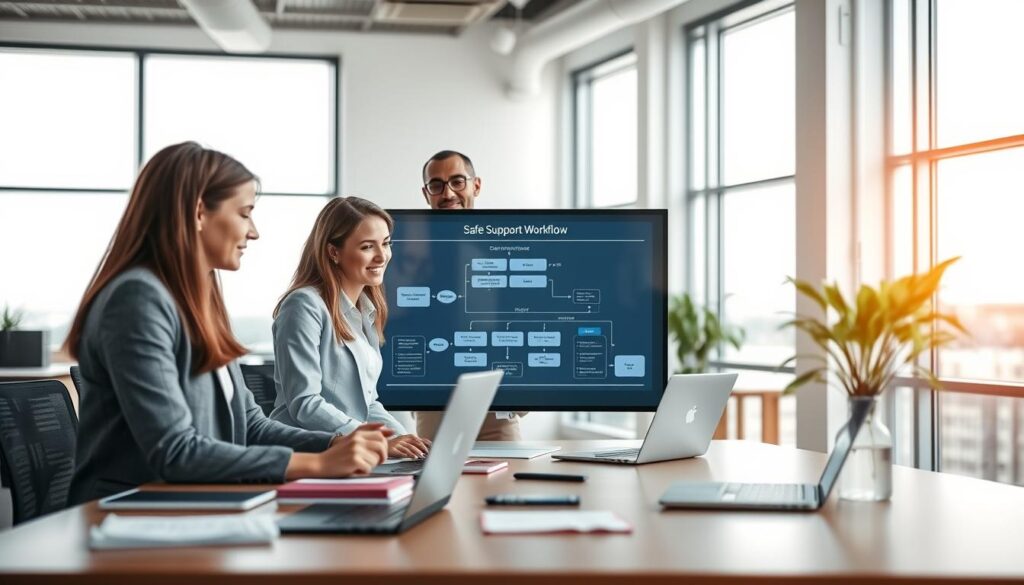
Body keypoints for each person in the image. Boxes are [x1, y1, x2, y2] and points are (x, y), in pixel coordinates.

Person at [64, 142, 390, 505]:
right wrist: (316, 464)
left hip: (195, 508)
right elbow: (175, 451)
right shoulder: (137, 299)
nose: (254, 232)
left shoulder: (202, 300)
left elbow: (249, 425)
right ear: (199, 212)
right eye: (245, 213)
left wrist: (337, 443)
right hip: (126, 517)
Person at [271, 197, 430, 459]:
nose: (382, 256)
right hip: (309, 454)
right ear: (334, 252)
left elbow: (367, 404)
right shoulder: (303, 305)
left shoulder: (365, 309)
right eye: (368, 246)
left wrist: (408, 442)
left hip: (350, 453)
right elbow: (305, 404)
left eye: (386, 243)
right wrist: (378, 442)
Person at [416, 150, 527, 441]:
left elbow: (529, 317)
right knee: (437, 485)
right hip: (434, 407)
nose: (448, 193)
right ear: (426, 193)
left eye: (457, 181)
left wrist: (523, 397)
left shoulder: (509, 245)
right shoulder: (407, 250)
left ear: (475, 185)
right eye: (436, 185)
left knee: (508, 485)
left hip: (496, 408)